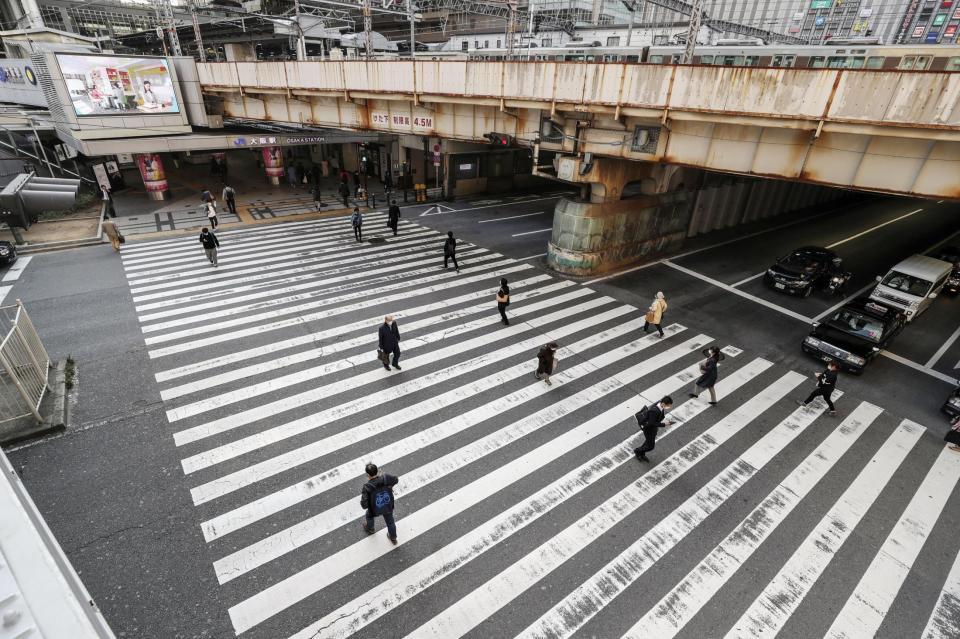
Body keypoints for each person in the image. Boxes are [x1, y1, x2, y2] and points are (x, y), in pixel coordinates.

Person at [360, 462, 399, 544]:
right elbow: (396, 480)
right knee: (390, 521)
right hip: (387, 505)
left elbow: (364, 505)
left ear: (368, 475)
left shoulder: (367, 486)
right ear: (377, 471)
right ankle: (393, 537)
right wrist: (390, 486)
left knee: (369, 515)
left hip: (375, 509)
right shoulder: (386, 478)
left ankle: (370, 528)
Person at [634, 396, 674, 462]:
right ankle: (637, 451)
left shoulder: (660, 404)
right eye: (668, 406)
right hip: (648, 429)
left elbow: (655, 420)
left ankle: (641, 453)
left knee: (648, 442)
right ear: (663, 404)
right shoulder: (654, 411)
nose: (669, 407)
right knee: (650, 446)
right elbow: (651, 423)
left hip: (652, 429)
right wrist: (665, 424)